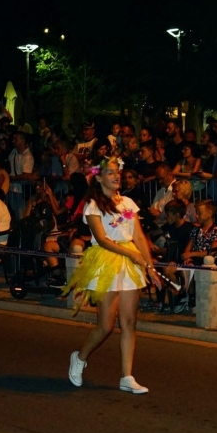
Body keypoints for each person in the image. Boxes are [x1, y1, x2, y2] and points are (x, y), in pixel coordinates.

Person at [64, 157, 163, 394]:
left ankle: (126, 376)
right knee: (106, 325)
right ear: (98, 177)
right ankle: (79, 357)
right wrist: (133, 256)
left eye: (117, 171)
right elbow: (102, 240)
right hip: (107, 259)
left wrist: (149, 266)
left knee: (129, 322)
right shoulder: (93, 205)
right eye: (110, 172)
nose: (116, 175)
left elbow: (138, 237)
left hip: (129, 260)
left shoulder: (128, 202)